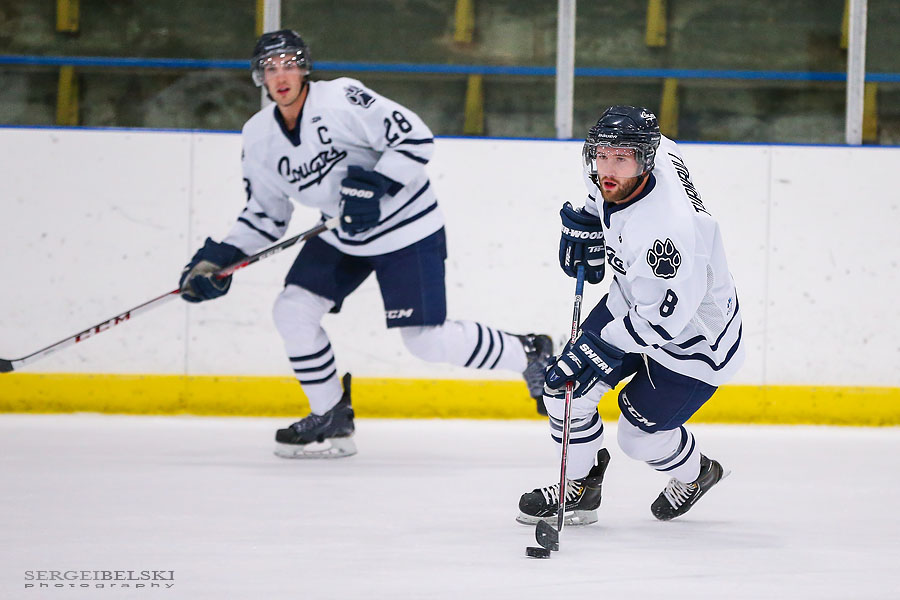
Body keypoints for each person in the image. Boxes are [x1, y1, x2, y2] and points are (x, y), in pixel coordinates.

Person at [177, 30, 553, 458]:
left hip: (406, 228)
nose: (280, 75)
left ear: (304, 68)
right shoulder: (258, 137)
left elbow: (415, 138)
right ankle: (330, 414)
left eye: (289, 63)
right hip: (341, 234)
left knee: (425, 341)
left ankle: (528, 352)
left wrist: (375, 185)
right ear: (260, 77)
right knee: (293, 310)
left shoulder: (342, 99)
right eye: (270, 67)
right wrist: (218, 259)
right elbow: (266, 215)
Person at [517, 105, 745, 524]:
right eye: (601, 155)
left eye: (620, 159)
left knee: (637, 438)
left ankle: (698, 474)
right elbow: (600, 185)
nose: (607, 168)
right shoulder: (648, 155)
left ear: (645, 159)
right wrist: (588, 217)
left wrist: (597, 346)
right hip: (634, 303)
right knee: (565, 389)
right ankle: (581, 489)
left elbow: (661, 324)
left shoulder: (667, 231)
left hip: (692, 344)